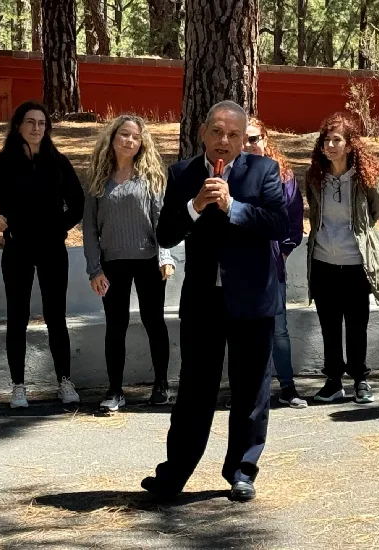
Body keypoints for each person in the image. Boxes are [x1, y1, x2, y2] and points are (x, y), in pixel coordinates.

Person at [141, 100, 289, 502]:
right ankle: (173, 476)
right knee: (194, 392)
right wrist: (196, 206)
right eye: (217, 132)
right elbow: (166, 234)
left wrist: (234, 207)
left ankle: (242, 471)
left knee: (250, 391)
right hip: (204, 303)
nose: (224, 141)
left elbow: (280, 223)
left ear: (243, 140)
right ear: (203, 133)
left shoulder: (264, 171)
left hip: (252, 301)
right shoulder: (183, 173)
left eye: (233, 135)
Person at [0, 101, 85, 409]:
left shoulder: (58, 162)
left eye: (42, 123)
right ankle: (18, 386)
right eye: (30, 122)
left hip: (52, 249)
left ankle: (64, 381)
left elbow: (78, 204)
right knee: (17, 317)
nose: (36, 128)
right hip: (17, 249)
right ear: (19, 126)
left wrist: (58, 228)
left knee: (56, 316)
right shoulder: (5, 162)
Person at [83, 115, 175, 410]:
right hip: (112, 264)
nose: (129, 141)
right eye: (124, 135)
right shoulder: (98, 179)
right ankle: (114, 391)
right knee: (116, 325)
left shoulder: (150, 178)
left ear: (141, 143)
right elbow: (89, 230)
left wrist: (165, 256)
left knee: (154, 322)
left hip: (148, 260)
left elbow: (162, 221)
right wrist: (94, 269)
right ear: (112, 138)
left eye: (135, 137)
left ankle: (161, 384)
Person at [306, 112, 379, 404]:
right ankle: (333, 382)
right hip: (322, 263)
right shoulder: (315, 178)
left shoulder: (365, 178)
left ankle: (360, 379)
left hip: (357, 264)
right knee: (329, 325)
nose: (330, 146)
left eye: (337, 140)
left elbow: (376, 208)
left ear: (349, 145)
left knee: (357, 324)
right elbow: (314, 210)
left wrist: (359, 231)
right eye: (326, 141)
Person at [242, 116, 306, 409]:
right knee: (242, 333)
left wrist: (282, 251)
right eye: (243, 139)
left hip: (270, 267)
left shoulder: (284, 177)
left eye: (254, 138)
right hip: (238, 268)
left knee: (278, 329)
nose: (248, 144)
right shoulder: (229, 173)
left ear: (265, 140)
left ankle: (288, 388)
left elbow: (293, 223)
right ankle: (247, 392)